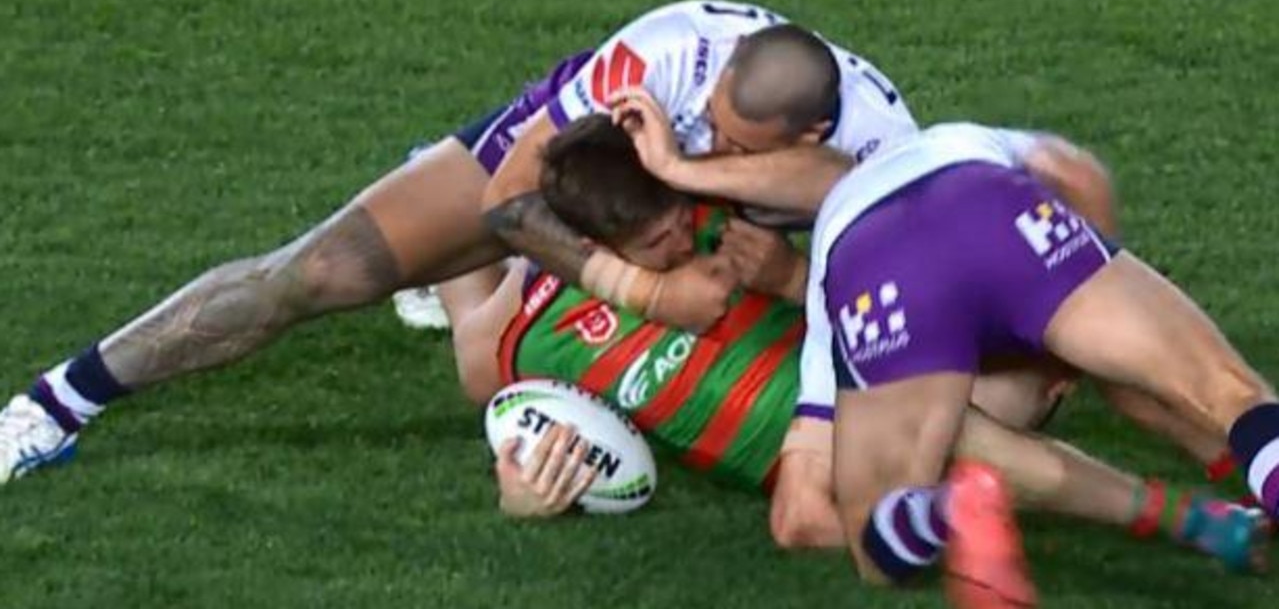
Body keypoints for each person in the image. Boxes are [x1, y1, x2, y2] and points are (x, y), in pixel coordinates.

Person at [0, 0, 916, 482]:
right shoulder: (670, 54)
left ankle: (481, 290)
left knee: (504, 371)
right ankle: (57, 403)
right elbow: (512, 198)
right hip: (575, 170)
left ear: (806, 142)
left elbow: (898, 302)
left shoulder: (887, 155)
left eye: (733, 148)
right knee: (323, 268)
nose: (704, 143)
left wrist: (743, 231)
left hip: (699, 226)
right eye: (704, 126)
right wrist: (646, 292)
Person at [439, 115, 1266, 571]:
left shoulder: (738, 212)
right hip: (849, 399)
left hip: (894, 352)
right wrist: (518, 486)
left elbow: (850, 209)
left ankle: (1206, 497)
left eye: (679, 223)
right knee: (854, 492)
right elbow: (471, 300)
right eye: (656, 245)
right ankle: (1194, 517)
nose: (681, 247)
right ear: (597, 251)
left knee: (1096, 381)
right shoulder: (531, 335)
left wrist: (785, 275)